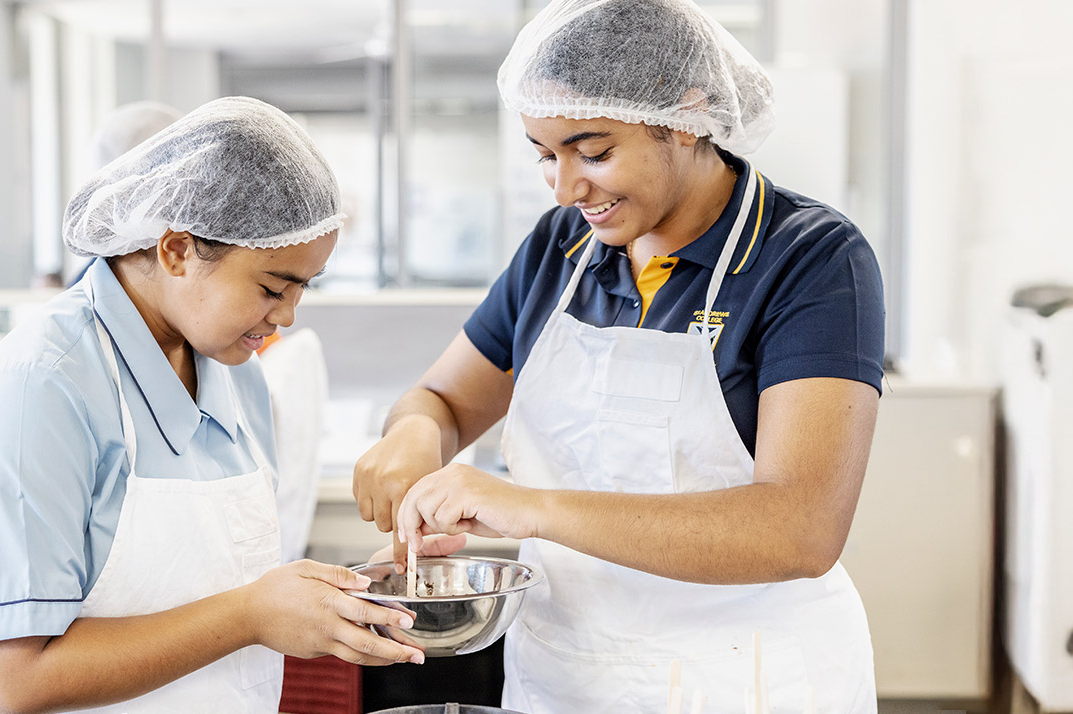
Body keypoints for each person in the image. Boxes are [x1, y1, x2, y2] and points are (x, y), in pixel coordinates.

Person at [353, 0, 886, 710]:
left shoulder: (810, 258)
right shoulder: (560, 248)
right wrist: (416, 435)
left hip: (740, 679)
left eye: (595, 152)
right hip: (567, 676)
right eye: (546, 155)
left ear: (686, 118)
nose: (568, 187)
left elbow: (800, 528)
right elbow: (443, 400)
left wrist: (529, 508)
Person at [0, 96, 462, 714]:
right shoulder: (36, 393)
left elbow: (222, 586)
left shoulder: (234, 374)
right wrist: (252, 615)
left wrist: (348, 595)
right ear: (176, 250)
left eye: (302, 288)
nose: (287, 316)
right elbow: (23, 681)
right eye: (271, 287)